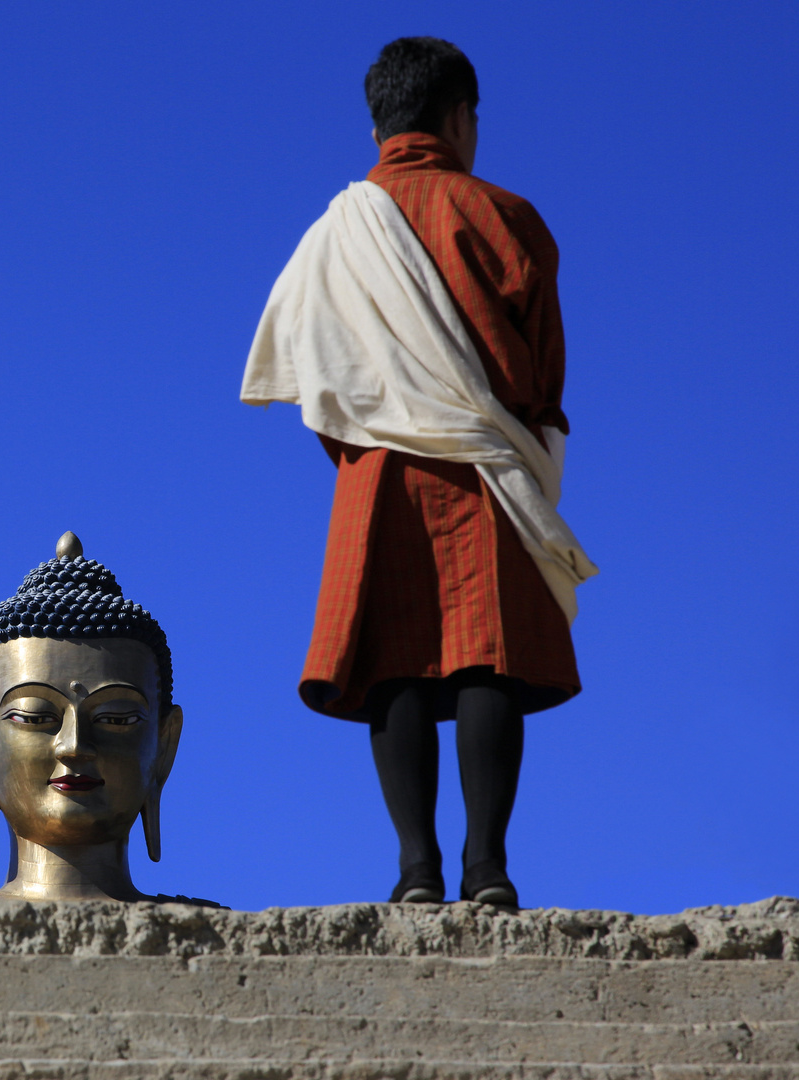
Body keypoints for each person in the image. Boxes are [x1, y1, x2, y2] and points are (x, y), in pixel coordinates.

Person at [241, 39, 596, 906]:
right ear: (461, 116)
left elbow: (312, 373)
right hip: (486, 462)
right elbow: (544, 373)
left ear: (378, 123)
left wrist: (373, 437)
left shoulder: (333, 234)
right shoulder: (505, 214)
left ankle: (414, 873)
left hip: (376, 474)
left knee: (397, 664)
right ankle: (489, 872)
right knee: (488, 661)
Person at [0, 532, 217, 906]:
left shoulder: (206, 935)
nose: (74, 746)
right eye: (35, 716)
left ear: (164, 746)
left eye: (116, 719)